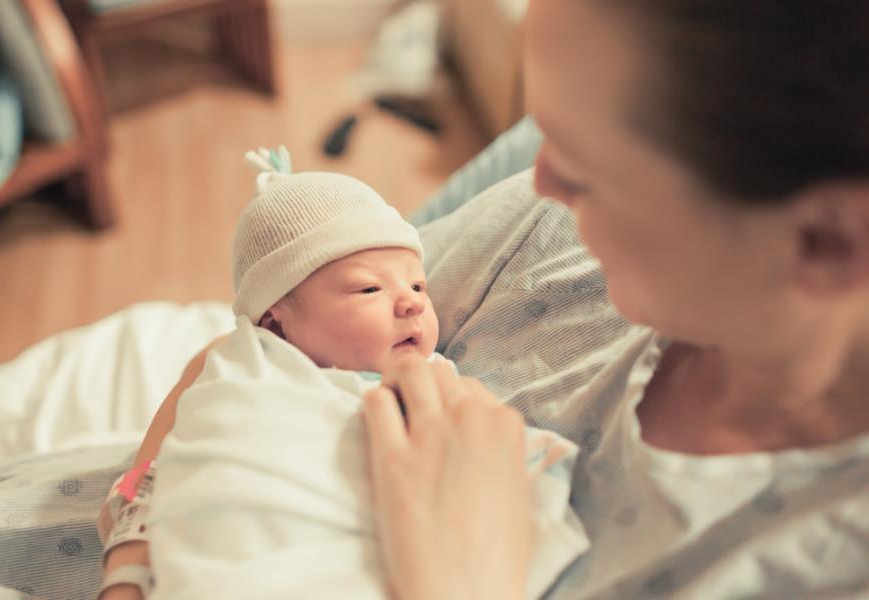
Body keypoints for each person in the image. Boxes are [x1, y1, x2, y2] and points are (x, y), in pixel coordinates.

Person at [359, 1, 869, 599]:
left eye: (584, 171)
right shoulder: (543, 228)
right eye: (542, 133)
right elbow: (262, 333)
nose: (540, 179)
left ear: (825, 243)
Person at [97, 147, 584, 599]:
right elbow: (183, 435)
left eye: (418, 283)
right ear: (275, 322)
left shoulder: (433, 378)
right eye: (369, 289)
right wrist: (130, 543)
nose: (413, 300)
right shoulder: (247, 362)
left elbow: (478, 463)